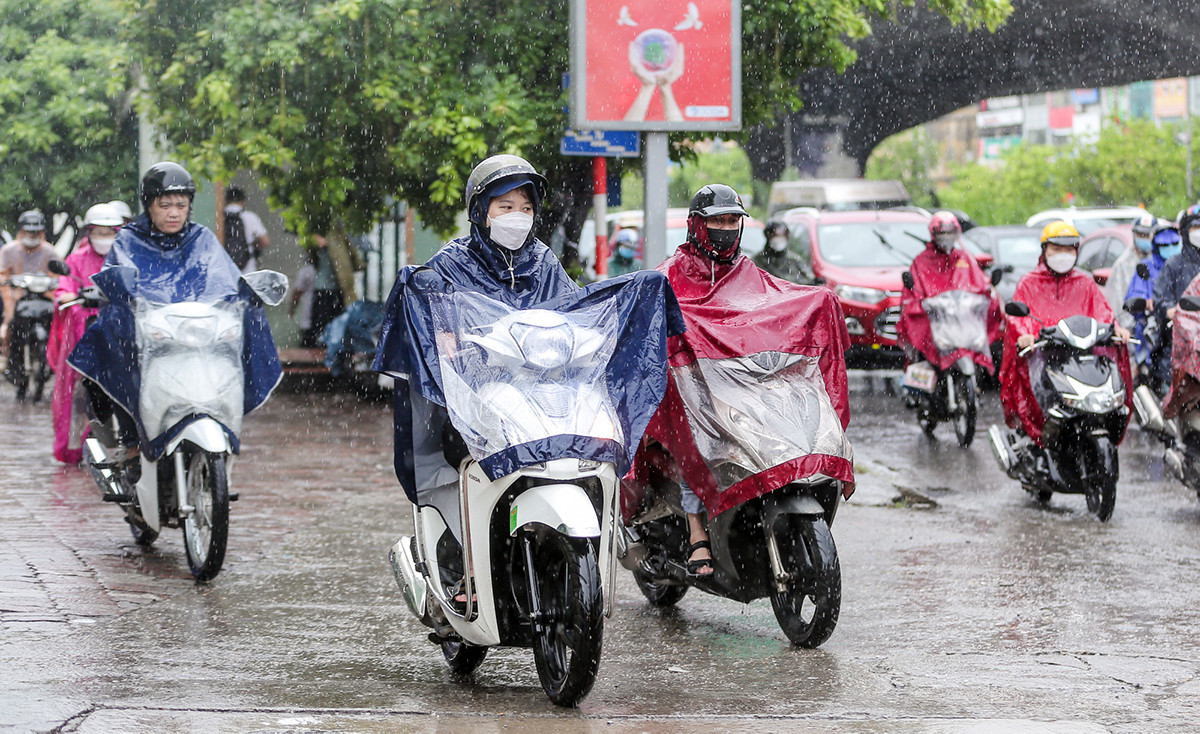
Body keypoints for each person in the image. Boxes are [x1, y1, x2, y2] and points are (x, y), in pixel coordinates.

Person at [374, 154, 682, 603]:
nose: (517, 217)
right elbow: (432, 319)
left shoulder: (543, 261)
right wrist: (452, 342)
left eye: (525, 207)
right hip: (476, 399)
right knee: (469, 459)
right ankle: (467, 570)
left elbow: (572, 313)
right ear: (480, 211)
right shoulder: (449, 265)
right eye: (505, 206)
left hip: (543, 395)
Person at [641, 184, 853, 577]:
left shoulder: (746, 272)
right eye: (716, 221)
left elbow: (773, 305)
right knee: (701, 439)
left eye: (732, 221)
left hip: (742, 387)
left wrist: (819, 301)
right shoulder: (670, 275)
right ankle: (696, 532)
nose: (725, 228)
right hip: (693, 391)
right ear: (696, 226)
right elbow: (649, 310)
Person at [68, 162, 282, 476]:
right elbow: (120, 280)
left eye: (181, 205)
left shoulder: (202, 239)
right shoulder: (128, 240)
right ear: (149, 205)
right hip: (147, 336)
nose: (173, 213)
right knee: (114, 346)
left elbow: (225, 279)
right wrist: (122, 296)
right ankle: (131, 440)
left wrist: (244, 296)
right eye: (164, 204)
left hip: (194, 334)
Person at [1000, 221, 1131, 445]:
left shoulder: (1085, 282)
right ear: (1044, 250)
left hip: (1081, 357)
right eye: (1056, 249)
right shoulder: (1029, 283)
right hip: (1044, 358)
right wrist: (1026, 334)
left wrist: (1115, 329)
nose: (1063, 254)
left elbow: (1103, 312)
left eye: (1069, 249)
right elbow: (1019, 317)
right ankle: (1039, 436)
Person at [47, 203, 123, 463]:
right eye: (98, 232)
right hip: (83, 330)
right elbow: (64, 288)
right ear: (89, 232)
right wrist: (70, 295)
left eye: (109, 232)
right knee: (74, 387)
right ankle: (73, 445)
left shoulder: (125, 257)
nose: (104, 238)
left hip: (118, 329)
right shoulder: (76, 259)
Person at [897, 211, 1001, 386]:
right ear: (933, 233)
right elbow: (913, 292)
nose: (946, 237)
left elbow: (979, 281)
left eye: (950, 233)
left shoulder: (963, 258)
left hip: (958, 320)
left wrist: (988, 290)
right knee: (922, 341)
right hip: (935, 321)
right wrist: (920, 302)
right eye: (942, 233)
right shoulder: (922, 261)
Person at [1, 210, 57, 389]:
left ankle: (54, 359)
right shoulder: (9, 250)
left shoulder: (49, 251)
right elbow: (3, 275)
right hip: (16, 299)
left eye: (36, 232)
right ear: (21, 231)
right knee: (9, 325)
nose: (32, 235)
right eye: (28, 231)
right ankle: (8, 358)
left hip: (43, 299)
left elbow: (58, 276)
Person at [1125, 222, 1181, 387]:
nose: (1170, 247)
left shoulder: (1184, 266)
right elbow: (1135, 296)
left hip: (1184, 333)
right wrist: (1149, 303)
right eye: (1164, 244)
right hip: (1155, 333)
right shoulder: (1146, 269)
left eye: (1174, 243)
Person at [1152, 205, 1200, 327]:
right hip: (1182, 332)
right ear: (1185, 231)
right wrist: (1169, 310)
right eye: (1195, 227)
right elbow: (1160, 298)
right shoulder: (1174, 265)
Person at [1105, 212, 1157, 319]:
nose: (1144, 238)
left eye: (1148, 235)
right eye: (1141, 235)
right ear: (1134, 234)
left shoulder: (1162, 261)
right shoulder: (1123, 264)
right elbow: (1116, 303)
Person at [222, 185, 270, 273]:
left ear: (226, 201)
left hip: (224, 266)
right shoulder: (249, 216)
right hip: (246, 267)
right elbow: (265, 241)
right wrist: (252, 246)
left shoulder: (219, 217)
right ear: (243, 201)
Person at [289, 247, 318, 347]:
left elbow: (297, 292)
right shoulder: (321, 271)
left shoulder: (306, 271)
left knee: (307, 346)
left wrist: (292, 308)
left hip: (308, 316)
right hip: (319, 315)